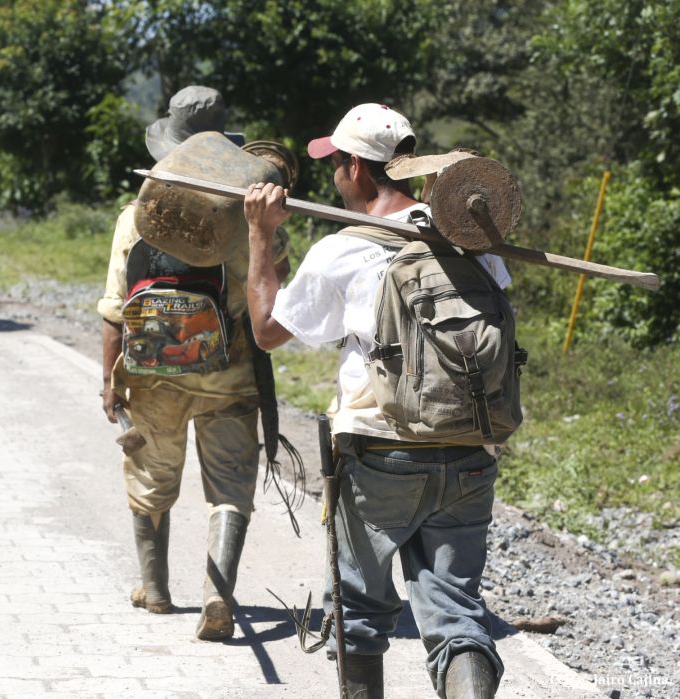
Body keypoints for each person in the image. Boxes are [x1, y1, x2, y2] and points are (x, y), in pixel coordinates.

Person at [244, 103, 510, 699]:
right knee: (458, 614)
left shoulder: (343, 250)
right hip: (469, 448)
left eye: (336, 163)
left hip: (378, 453)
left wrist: (261, 236)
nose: (333, 176)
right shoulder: (468, 239)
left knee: (360, 614)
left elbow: (266, 330)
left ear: (356, 171)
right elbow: (498, 294)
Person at [98, 85, 289, 641]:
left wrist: (109, 382)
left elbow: (115, 313)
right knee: (229, 486)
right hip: (228, 374)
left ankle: (154, 589)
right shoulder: (249, 221)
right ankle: (217, 596)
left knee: (150, 475)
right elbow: (271, 292)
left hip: (151, 373)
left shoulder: (135, 219)